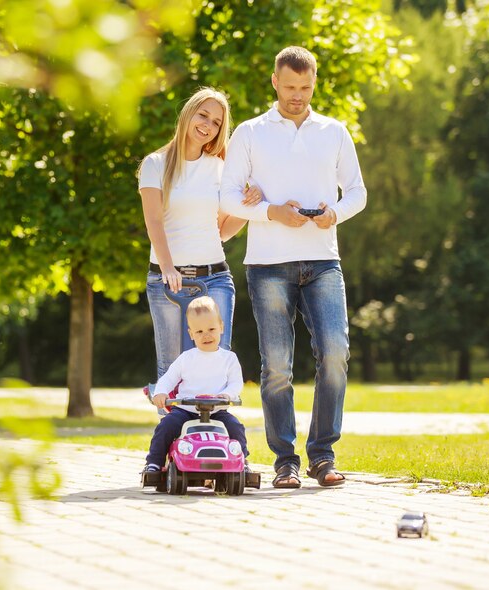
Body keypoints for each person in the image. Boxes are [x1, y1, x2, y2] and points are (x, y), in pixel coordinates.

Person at [220, 46, 367, 488]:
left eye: (305, 88)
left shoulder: (334, 131)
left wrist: (334, 214)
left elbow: (357, 191)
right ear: (275, 82)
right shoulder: (249, 133)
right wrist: (270, 212)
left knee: (336, 353)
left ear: (314, 83)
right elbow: (227, 197)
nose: (297, 96)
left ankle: (322, 456)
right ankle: (285, 460)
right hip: (268, 264)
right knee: (278, 366)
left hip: (323, 259)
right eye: (289, 87)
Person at [138, 87, 262, 385]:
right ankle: (172, 431)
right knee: (171, 369)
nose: (208, 125)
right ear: (188, 113)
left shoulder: (220, 169)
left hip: (214, 278)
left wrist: (248, 207)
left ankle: (212, 432)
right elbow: (153, 220)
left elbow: (221, 231)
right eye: (203, 115)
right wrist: (168, 267)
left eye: (217, 122)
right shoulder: (155, 165)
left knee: (215, 364)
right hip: (167, 280)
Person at [143, 296, 248, 472]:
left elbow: (236, 383)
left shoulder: (229, 359)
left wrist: (227, 395)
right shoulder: (186, 358)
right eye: (199, 332)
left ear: (221, 327)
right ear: (191, 334)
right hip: (186, 411)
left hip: (216, 411)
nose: (206, 335)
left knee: (236, 428)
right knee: (166, 426)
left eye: (211, 329)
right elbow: (169, 378)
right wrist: (160, 392)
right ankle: (154, 462)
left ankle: (242, 463)